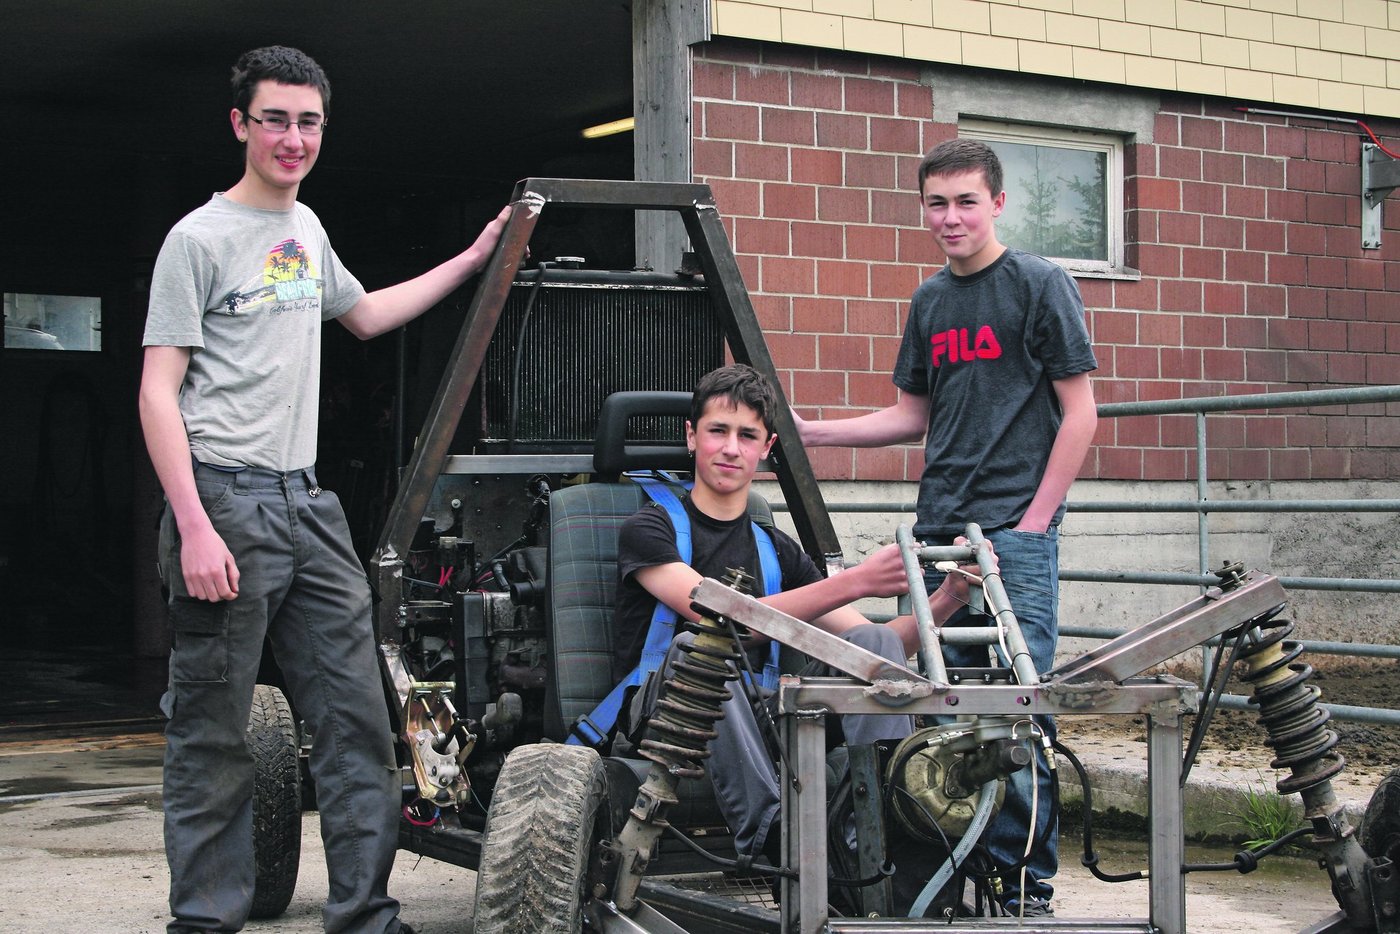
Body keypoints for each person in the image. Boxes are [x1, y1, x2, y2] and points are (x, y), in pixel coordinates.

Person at [138, 46, 513, 934]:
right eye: (275, 118)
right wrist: (192, 525)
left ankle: (365, 916)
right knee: (215, 733)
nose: (293, 137)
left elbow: (369, 314)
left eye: (309, 122)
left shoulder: (306, 233)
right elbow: (158, 391)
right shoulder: (196, 240)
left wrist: (472, 258)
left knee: (356, 723)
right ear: (240, 124)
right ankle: (204, 920)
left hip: (308, 507)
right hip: (224, 500)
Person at [793, 138, 1099, 917]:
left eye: (967, 200)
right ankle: (941, 886)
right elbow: (911, 416)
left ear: (998, 203)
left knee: (1011, 714)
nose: (951, 216)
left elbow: (1080, 413)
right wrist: (814, 433)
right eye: (937, 202)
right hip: (936, 536)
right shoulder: (931, 301)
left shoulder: (1040, 284)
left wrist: (1031, 527)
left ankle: (1024, 891)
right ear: (922, 208)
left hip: (1011, 539)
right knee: (930, 712)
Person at [613, 364, 987, 904]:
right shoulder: (650, 529)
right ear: (692, 436)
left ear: (766, 448)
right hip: (671, 711)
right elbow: (723, 621)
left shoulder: (774, 546)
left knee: (874, 644)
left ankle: (891, 824)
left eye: (747, 436)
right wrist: (854, 581)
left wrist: (950, 594)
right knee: (702, 648)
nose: (730, 449)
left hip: (765, 715)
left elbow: (880, 647)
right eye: (717, 431)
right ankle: (775, 841)